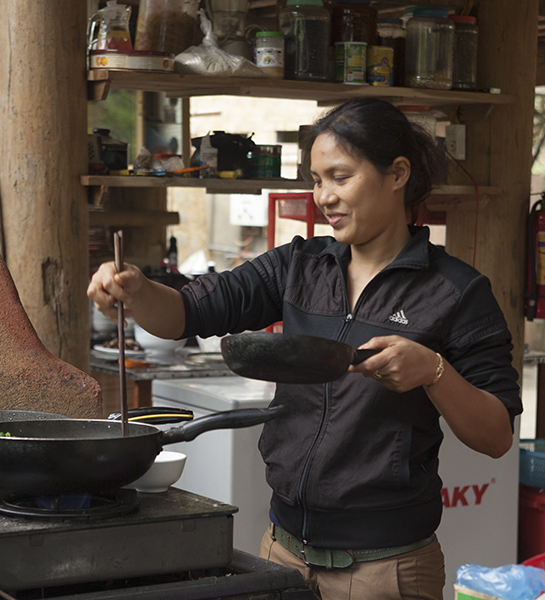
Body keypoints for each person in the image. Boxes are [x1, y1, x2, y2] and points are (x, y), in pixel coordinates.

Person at [88, 97, 522, 600]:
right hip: (283, 551)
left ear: (397, 173)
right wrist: (137, 290)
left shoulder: (456, 291)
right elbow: (188, 311)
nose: (325, 197)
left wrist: (434, 371)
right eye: (317, 180)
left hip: (386, 569)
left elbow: (495, 436)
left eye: (341, 177)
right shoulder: (298, 266)